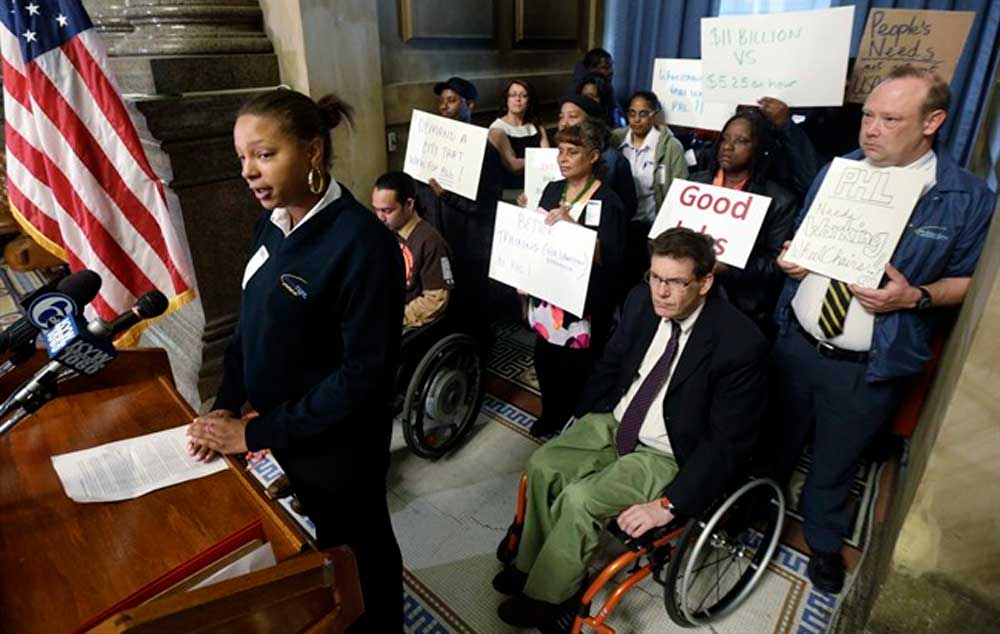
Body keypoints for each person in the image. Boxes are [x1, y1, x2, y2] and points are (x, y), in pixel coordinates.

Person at [186, 88, 405, 632]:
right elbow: (249, 325)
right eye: (242, 158)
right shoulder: (272, 222)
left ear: (311, 152)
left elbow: (363, 376)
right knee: (323, 537)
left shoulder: (363, 244)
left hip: (341, 443)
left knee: (360, 545)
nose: (248, 172)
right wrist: (224, 405)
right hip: (289, 432)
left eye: (264, 154)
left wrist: (253, 434)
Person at [771, 65, 997, 594]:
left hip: (867, 364)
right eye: (868, 115)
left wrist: (914, 296)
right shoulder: (837, 170)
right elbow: (804, 236)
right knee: (773, 436)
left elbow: (970, 282)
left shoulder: (965, 199)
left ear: (932, 122)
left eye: (890, 119)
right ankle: (755, 506)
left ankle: (823, 541)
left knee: (836, 458)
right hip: (796, 341)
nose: (870, 128)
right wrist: (793, 259)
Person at [495, 228, 768, 628]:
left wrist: (668, 505)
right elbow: (611, 365)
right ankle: (529, 564)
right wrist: (584, 416)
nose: (661, 291)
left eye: (675, 282)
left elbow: (727, 442)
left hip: (667, 449)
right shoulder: (641, 302)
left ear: (705, 281)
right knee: (541, 464)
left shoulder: (740, 342)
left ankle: (548, 595)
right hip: (618, 420)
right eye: (656, 277)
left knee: (580, 498)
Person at [527, 119, 626, 438]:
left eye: (572, 151)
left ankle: (573, 421)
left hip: (583, 298)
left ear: (594, 156)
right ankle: (550, 413)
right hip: (548, 291)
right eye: (560, 151)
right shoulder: (553, 189)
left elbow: (610, 258)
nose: (563, 158)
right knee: (544, 359)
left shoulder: (608, 201)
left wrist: (574, 227)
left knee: (577, 366)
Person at [687, 111, 797, 338]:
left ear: (760, 148)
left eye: (741, 141)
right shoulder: (694, 184)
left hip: (739, 308)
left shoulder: (779, 200)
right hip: (686, 296)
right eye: (725, 138)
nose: (728, 146)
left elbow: (775, 265)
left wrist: (730, 267)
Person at [415, 76, 503, 348]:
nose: (444, 107)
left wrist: (448, 195)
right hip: (438, 234)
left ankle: (477, 350)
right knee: (443, 294)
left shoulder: (485, 150)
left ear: (470, 105)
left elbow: (488, 202)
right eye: (441, 102)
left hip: (470, 240)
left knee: (472, 299)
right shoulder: (428, 143)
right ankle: (449, 349)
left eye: (452, 101)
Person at [610, 90, 689, 287]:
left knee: (645, 281)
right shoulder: (615, 139)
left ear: (654, 114)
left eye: (643, 113)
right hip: (620, 225)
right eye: (632, 113)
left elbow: (679, 191)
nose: (636, 120)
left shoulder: (671, 147)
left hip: (651, 227)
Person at [372, 171, 454, 329]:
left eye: (387, 211)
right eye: (377, 210)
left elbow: (435, 300)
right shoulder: (385, 230)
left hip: (407, 319)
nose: (380, 217)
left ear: (409, 204)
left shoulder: (430, 242)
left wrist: (394, 317)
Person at [488, 79, 551, 199]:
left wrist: (536, 163)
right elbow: (513, 166)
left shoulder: (536, 127)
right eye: (513, 95)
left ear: (529, 101)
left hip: (536, 190)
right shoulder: (497, 129)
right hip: (508, 192)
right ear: (506, 99)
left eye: (523, 95)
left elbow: (548, 159)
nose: (518, 99)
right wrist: (539, 162)